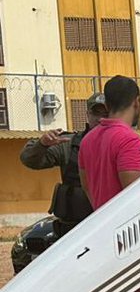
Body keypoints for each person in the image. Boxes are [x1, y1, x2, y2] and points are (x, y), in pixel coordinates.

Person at [20, 92, 107, 236]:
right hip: (74, 229)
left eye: (106, 113)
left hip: (108, 224)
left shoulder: (122, 144)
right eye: (96, 113)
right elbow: (28, 159)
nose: (101, 118)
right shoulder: (68, 144)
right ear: (87, 114)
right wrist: (42, 144)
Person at [78, 76, 140, 209]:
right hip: (129, 227)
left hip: (103, 223)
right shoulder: (128, 140)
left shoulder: (86, 141)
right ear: (137, 102)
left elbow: (87, 188)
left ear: (107, 105)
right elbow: (136, 197)